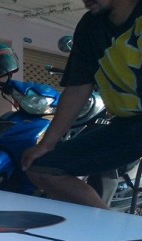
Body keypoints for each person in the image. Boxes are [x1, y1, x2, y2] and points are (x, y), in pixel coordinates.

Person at [20, 0, 142, 209]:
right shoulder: (90, 26)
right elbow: (78, 87)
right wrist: (46, 144)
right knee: (41, 167)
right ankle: (108, 225)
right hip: (128, 125)